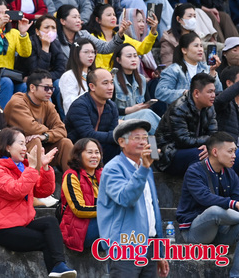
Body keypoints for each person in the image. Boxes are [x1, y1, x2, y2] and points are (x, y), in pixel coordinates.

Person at [0, 127, 77, 278]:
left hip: (22, 223)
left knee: (50, 222)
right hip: (1, 229)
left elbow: (43, 191)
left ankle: (59, 266)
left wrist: (46, 167)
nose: (24, 148)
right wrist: (33, 168)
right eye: (20, 144)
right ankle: (58, 268)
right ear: (8, 147)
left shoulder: (24, 167)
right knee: (47, 241)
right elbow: (16, 191)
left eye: (24, 144)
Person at [98, 120, 170, 278]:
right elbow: (125, 198)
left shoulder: (146, 168)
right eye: (137, 138)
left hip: (149, 246)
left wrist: (160, 251)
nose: (143, 142)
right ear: (122, 142)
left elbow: (153, 211)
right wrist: (144, 168)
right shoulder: (113, 168)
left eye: (145, 137)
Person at [176, 131, 239, 278]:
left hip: (221, 231)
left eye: (235, 151)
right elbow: (205, 198)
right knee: (215, 211)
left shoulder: (231, 174)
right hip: (195, 232)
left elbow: (237, 197)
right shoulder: (195, 171)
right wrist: (233, 203)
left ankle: (235, 275)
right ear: (215, 152)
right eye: (230, 151)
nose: (234, 156)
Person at [5, 71, 74, 172]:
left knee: (65, 143)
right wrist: (50, 131)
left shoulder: (47, 104)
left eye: (51, 88)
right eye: (46, 88)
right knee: (35, 141)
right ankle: (36, 184)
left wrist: (45, 136)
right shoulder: (17, 102)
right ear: (32, 88)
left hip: (41, 147)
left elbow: (62, 130)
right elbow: (31, 128)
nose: (50, 91)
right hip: (15, 148)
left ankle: (73, 183)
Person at [156, 72, 218, 176]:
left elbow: (214, 134)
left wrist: (209, 146)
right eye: (210, 92)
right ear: (196, 93)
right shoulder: (178, 108)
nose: (213, 95)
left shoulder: (209, 107)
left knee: (226, 152)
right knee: (201, 155)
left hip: (193, 147)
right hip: (168, 154)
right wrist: (207, 142)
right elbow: (183, 140)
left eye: (214, 92)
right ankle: (200, 191)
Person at [65, 68, 120, 161]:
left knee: (122, 145)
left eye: (112, 82)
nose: (110, 87)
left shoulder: (112, 106)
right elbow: (87, 134)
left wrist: (118, 137)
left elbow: (113, 133)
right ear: (92, 86)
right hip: (78, 149)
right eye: (105, 83)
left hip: (100, 148)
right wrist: (116, 136)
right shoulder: (80, 105)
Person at [59, 138, 103, 253]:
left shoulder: (104, 174)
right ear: (78, 155)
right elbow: (79, 209)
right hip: (79, 232)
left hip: (101, 224)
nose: (94, 156)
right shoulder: (71, 176)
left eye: (97, 152)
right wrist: (110, 210)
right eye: (90, 152)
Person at [156, 32, 222, 106]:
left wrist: (212, 72)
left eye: (201, 46)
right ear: (184, 50)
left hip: (204, 112)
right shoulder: (174, 70)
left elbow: (218, 92)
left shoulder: (207, 68)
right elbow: (160, 92)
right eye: (196, 46)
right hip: (180, 113)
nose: (200, 49)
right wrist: (185, 93)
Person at [87, 4, 158, 70]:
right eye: (109, 15)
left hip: (120, 79)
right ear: (98, 20)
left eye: (114, 15)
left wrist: (153, 31)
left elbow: (143, 48)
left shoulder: (122, 37)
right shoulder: (93, 38)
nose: (113, 18)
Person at [112, 44, 162, 133]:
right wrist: (128, 110)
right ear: (118, 60)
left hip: (140, 117)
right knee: (146, 114)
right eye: (129, 56)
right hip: (121, 119)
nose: (133, 59)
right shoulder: (112, 80)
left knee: (147, 113)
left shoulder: (141, 79)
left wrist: (145, 106)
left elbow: (148, 105)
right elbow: (107, 109)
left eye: (135, 56)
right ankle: (167, 137)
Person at [16, 14, 66, 87]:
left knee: (58, 83)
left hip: (45, 81)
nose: (50, 31)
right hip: (27, 83)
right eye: (46, 27)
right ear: (37, 31)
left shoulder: (56, 44)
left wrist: (47, 78)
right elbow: (37, 73)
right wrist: (45, 48)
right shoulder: (30, 43)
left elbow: (61, 70)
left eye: (53, 28)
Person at [59, 39, 96, 115]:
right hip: (79, 119)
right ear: (76, 53)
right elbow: (70, 104)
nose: (91, 55)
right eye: (86, 52)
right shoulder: (69, 76)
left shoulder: (96, 74)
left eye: (93, 52)